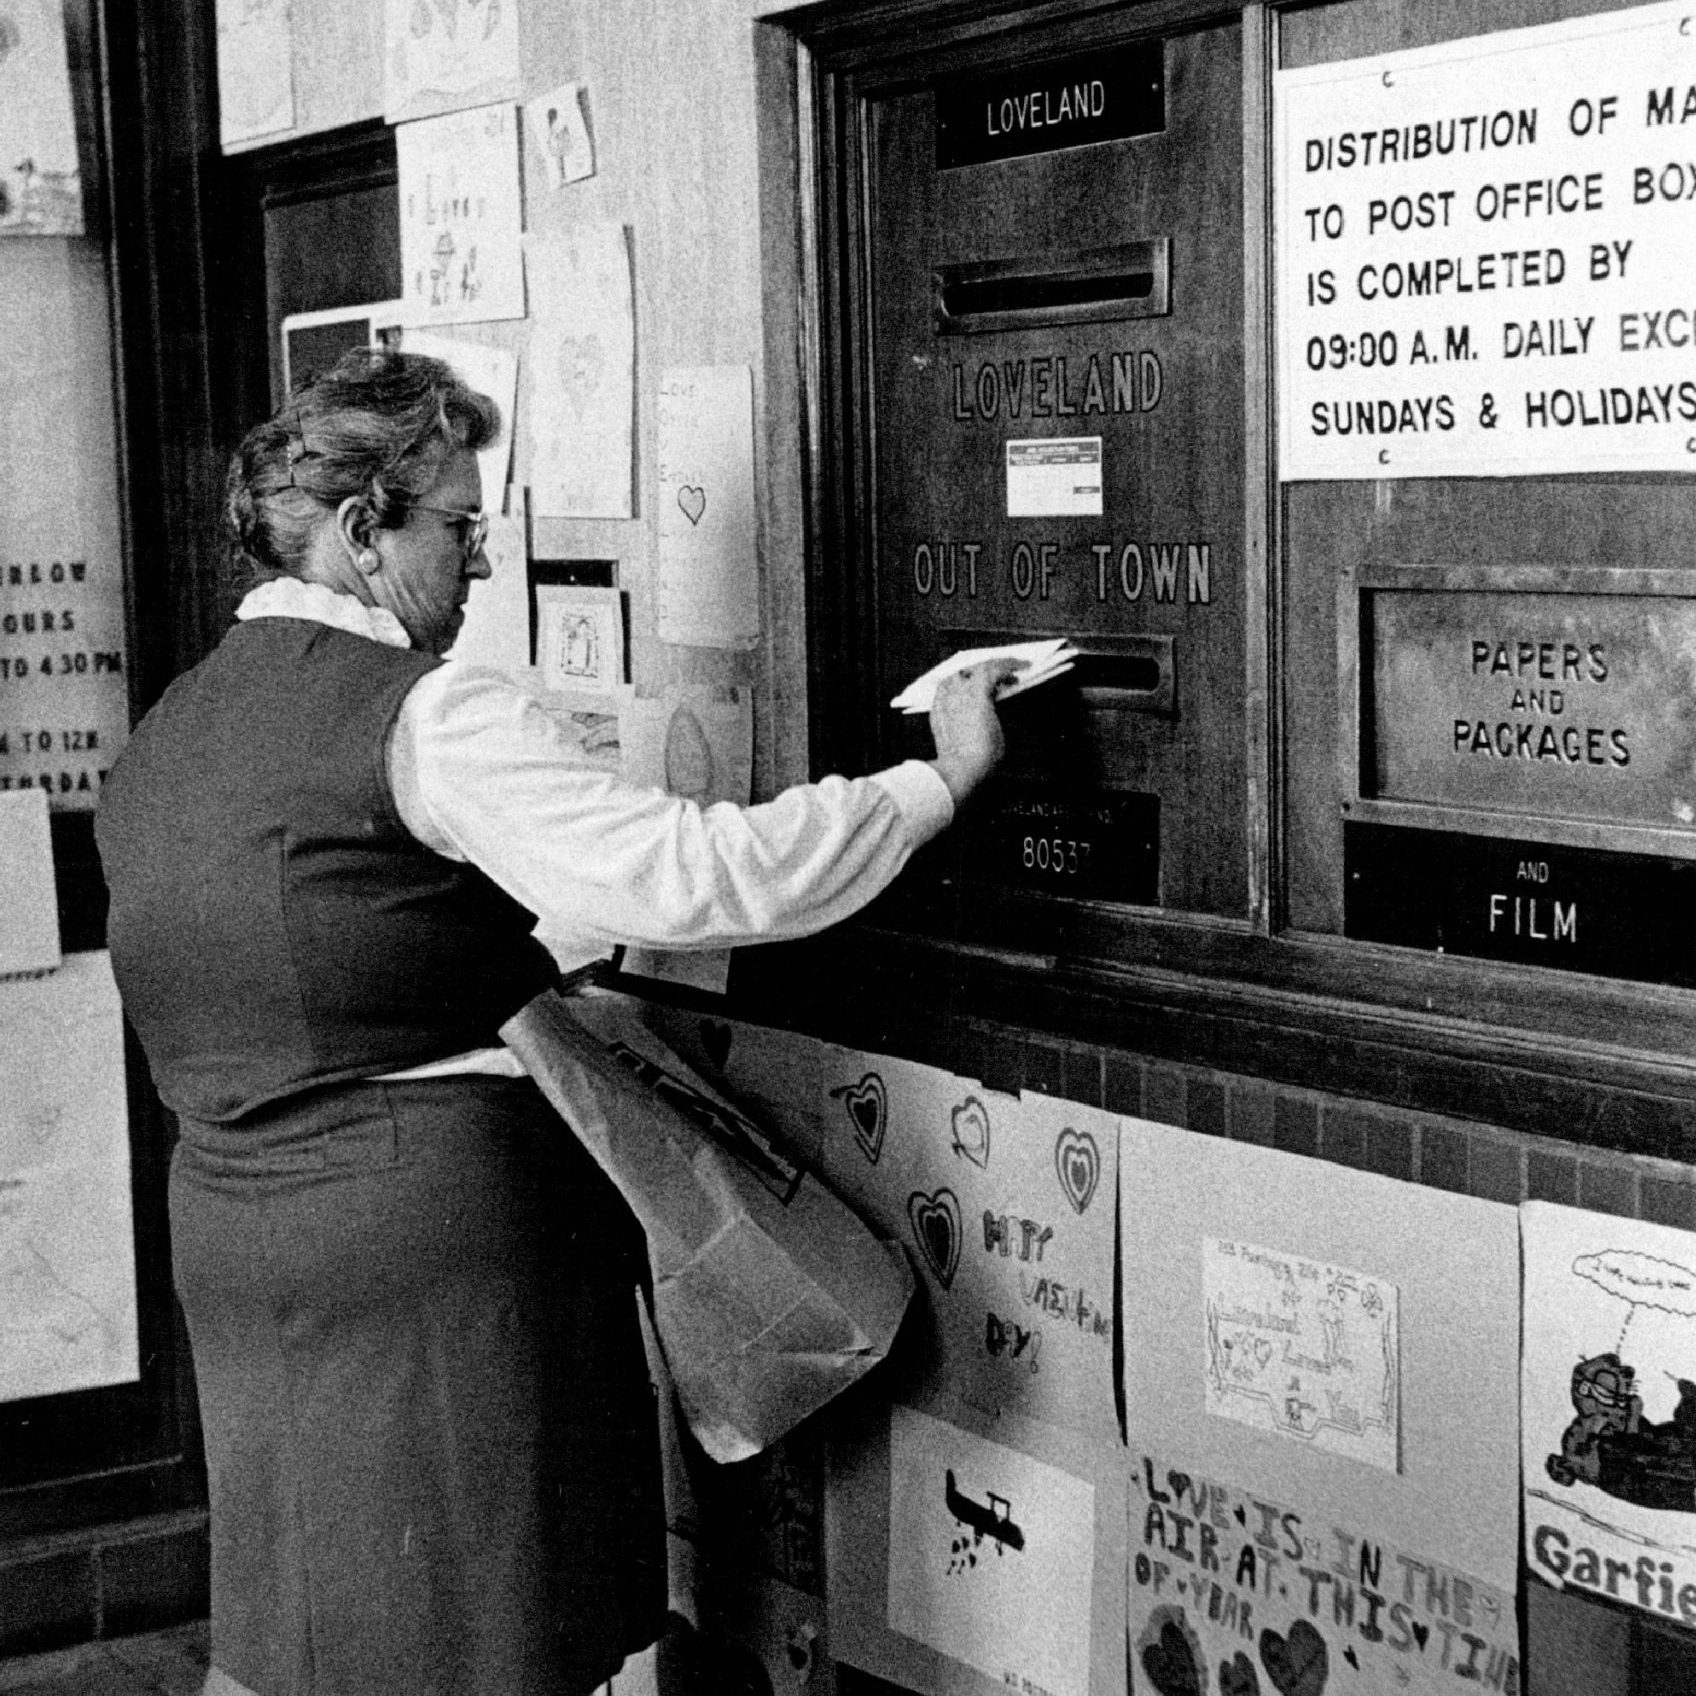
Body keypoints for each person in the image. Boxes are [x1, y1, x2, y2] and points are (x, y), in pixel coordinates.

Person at [95, 348, 1013, 1696]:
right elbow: (694, 874)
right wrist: (934, 785)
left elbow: (322, 940)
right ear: (363, 532)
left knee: (320, 1635)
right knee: (491, 1638)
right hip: (433, 1243)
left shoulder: (171, 730)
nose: (477, 565)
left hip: (238, 1240)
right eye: (460, 527)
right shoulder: (422, 715)